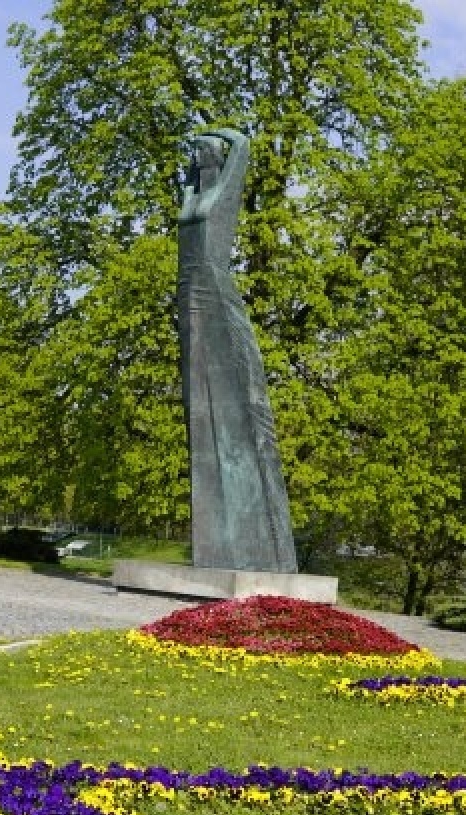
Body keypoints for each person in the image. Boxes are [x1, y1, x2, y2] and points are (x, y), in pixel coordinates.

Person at [176, 129, 298, 574]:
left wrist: (226, 136)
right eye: (196, 153)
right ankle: (215, 549)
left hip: (216, 294)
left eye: (203, 152)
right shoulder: (190, 196)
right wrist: (193, 156)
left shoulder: (222, 195)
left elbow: (241, 152)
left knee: (241, 406)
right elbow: (188, 187)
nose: (197, 157)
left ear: (216, 157)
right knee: (200, 411)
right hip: (187, 296)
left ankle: (265, 551)